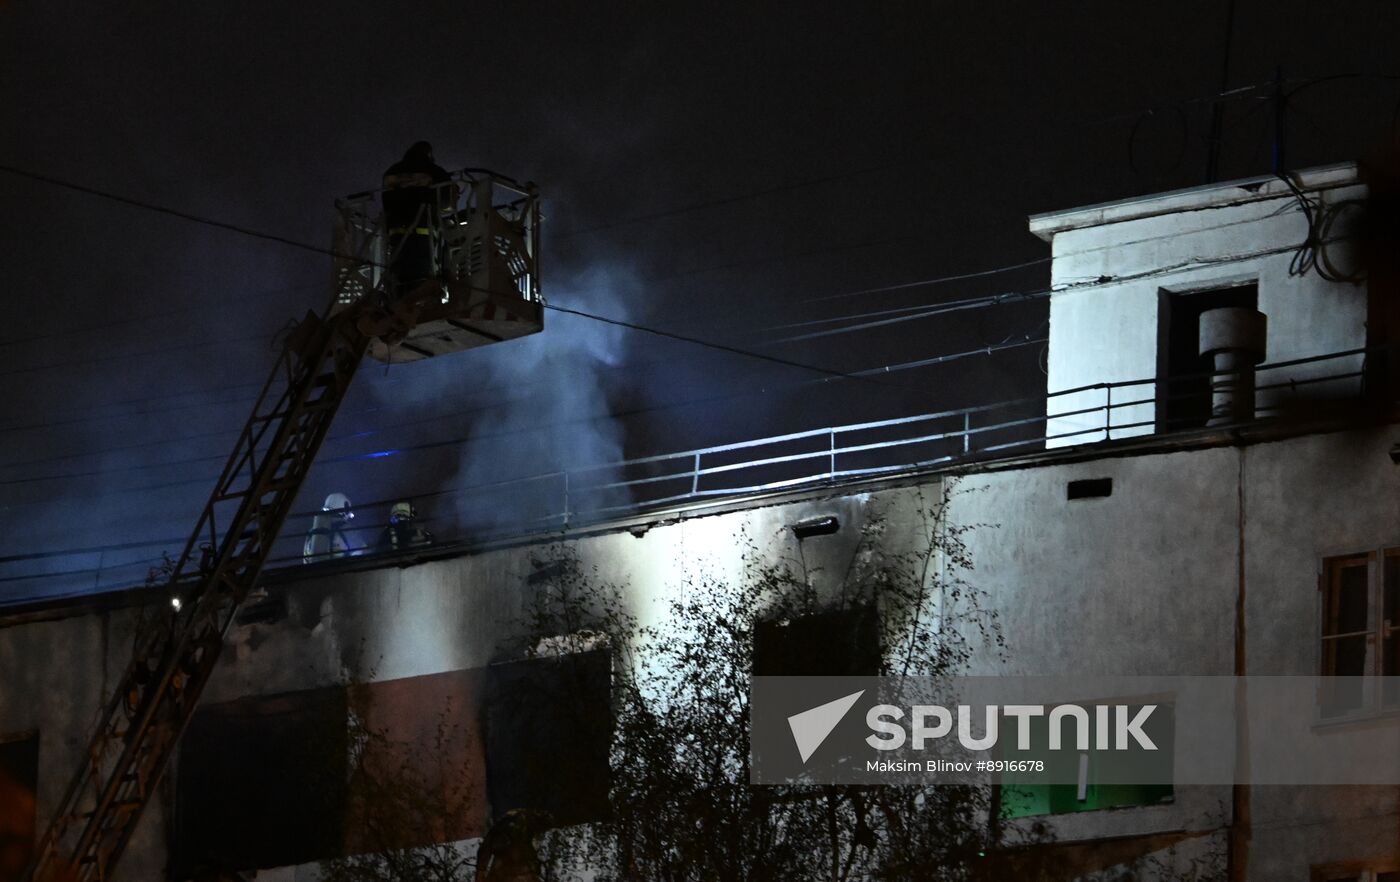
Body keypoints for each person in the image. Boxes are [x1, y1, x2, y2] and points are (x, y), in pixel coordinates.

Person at [381, 141, 453, 295]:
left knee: (399, 275)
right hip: (422, 233)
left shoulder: (391, 172)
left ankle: (398, 298)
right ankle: (422, 299)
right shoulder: (433, 171)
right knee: (420, 277)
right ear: (429, 155)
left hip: (395, 234)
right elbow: (447, 201)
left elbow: (385, 199)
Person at [474, 808, 545, 882]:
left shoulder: (501, 825)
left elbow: (485, 849)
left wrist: (481, 870)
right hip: (514, 870)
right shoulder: (528, 825)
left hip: (505, 870)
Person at [302, 492, 356, 563]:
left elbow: (305, 561)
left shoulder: (312, 532)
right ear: (345, 509)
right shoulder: (346, 529)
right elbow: (363, 553)